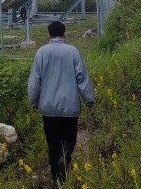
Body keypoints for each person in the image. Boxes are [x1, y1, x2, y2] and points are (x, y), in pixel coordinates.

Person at [27, 21, 94, 185]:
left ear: (49, 34)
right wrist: (89, 100)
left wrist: (33, 100)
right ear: (65, 34)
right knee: (69, 137)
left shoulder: (42, 53)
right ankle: (65, 157)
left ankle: (56, 178)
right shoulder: (73, 52)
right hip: (70, 107)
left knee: (52, 142)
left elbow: (35, 81)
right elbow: (82, 78)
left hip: (48, 108)